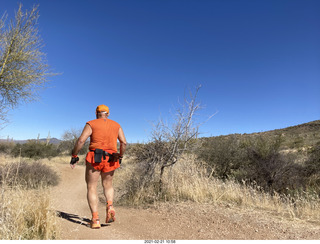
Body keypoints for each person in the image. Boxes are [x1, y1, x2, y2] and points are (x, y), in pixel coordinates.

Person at [70, 104, 127, 229]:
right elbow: (123, 142)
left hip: (95, 158)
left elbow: (81, 141)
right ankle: (110, 206)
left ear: (96, 113)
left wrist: (74, 155)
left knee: (91, 187)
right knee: (108, 185)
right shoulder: (116, 125)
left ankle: (95, 219)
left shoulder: (91, 123)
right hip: (111, 158)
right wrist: (120, 156)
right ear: (108, 113)